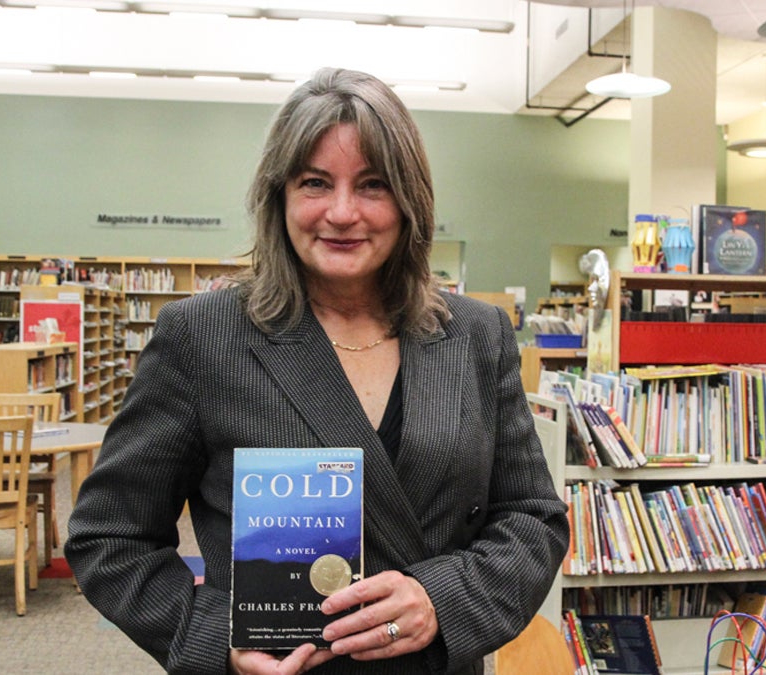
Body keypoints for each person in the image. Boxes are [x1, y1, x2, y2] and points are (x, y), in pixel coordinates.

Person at [65, 67, 569, 675]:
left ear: (411, 202)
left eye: (373, 185)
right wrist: (212, 636)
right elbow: (110, 537)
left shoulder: (474, 336)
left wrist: (442, 599)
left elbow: (532, 519)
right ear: (279, 195)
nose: (341, 212)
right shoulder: (203, 338)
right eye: (314, 182)